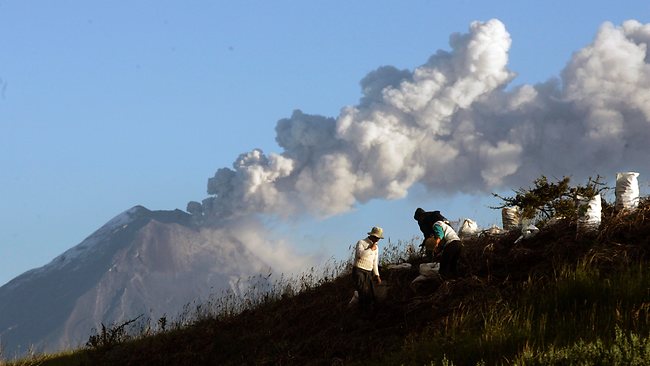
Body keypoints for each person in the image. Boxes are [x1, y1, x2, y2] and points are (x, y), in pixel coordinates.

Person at [414, 208, 462, 279]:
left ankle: (444, 282)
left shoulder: (436, 225)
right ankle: (456, 280)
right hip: (459, 244)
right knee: (453, 265)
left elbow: (440, 235)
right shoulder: (445, 225)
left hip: (452, 244)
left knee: (443, 265)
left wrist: (435, 244)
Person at [352, 226, 383, 313]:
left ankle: (370, 313)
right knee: (363, 293)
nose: (377, 240)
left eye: (378, 238)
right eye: (376, 238)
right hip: (359, 270)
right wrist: (370, 249)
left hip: (368, 272)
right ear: (372, 236)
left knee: (371, 294)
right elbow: (360, 255)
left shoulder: (376, 247)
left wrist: (377, 275)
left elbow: (374, 262)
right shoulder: (361, 242)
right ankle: (363, 314)